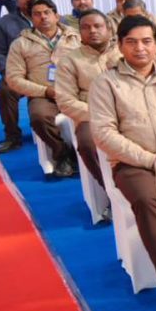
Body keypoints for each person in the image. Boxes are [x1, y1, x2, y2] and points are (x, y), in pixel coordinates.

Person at [90, 15, 156, 311]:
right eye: (131, 42)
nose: (140, 48)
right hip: (133, 165)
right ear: (119, 45)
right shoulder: (107, 84)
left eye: (147, 41)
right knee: (148, 200)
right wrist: (151, 160)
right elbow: (104, 134)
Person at [5, 0, 81, 176]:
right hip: (43, 94)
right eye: (37, 14)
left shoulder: (77, 38)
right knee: (39, 117)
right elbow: (14, 79)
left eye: (47, 13)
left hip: (77, 91)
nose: (43, 17)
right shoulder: (20, 44)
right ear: (31, 18)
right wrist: (45, 90)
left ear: (56, 15)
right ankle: (63, 155)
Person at [55, 9, 120, 187]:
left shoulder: (124, 53)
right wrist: (99, 115)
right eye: (86, 27)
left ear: (109, 29)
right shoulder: (70, 61)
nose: (92, 31)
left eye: (97, 26)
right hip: (90, 117)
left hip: (130, 112)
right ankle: (110, 192)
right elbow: (65, 101)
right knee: (87, 144)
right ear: (80, 33)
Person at [0, 0, 38, 153]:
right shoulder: (5, 22)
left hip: (48, 73)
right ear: (16, 1)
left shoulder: (51, 18)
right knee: (5, 90)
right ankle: (12, 136)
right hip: (19, 73)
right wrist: (8, 73)